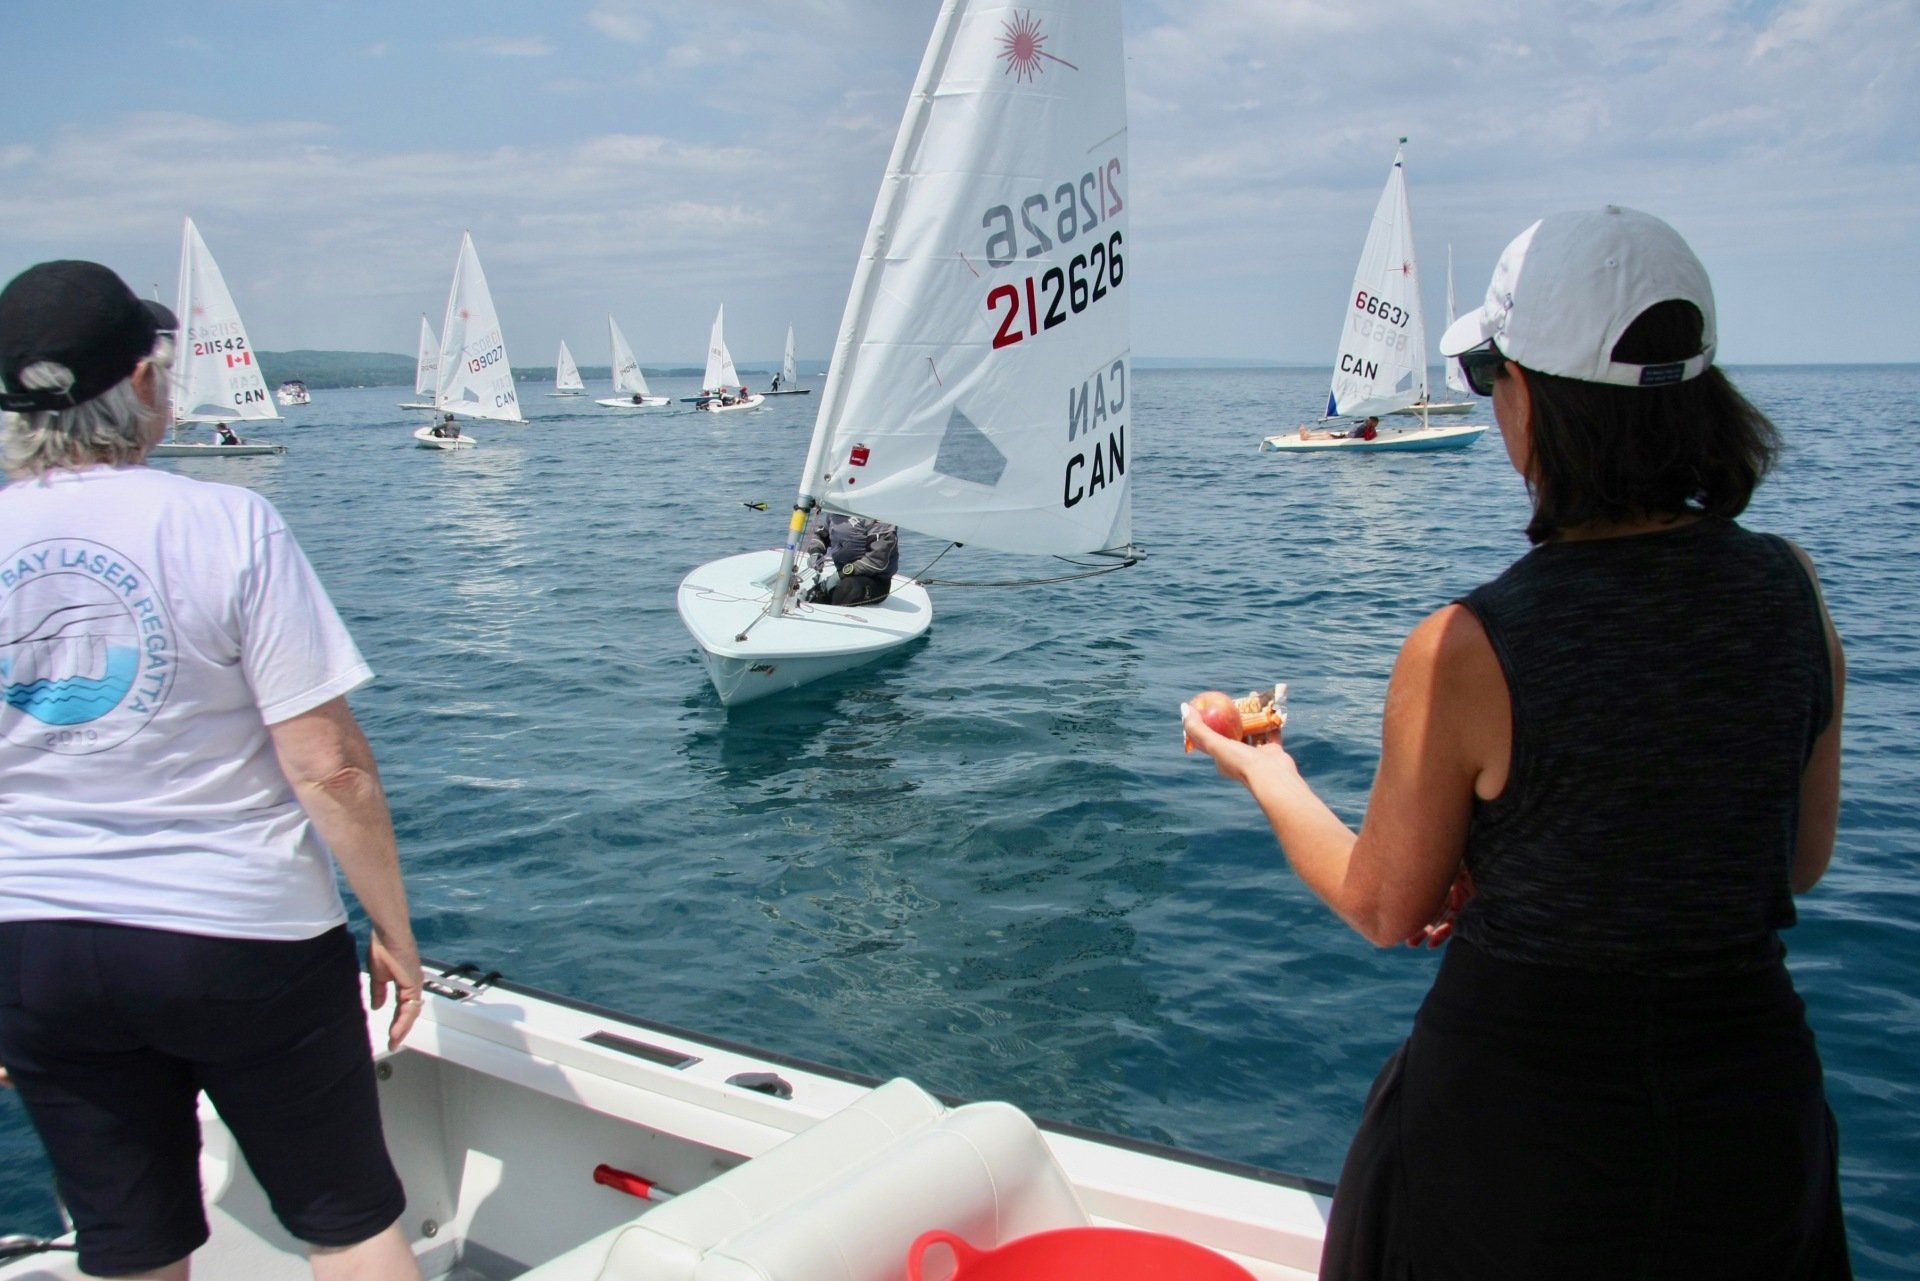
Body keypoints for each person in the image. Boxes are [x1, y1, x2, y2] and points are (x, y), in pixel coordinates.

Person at [1183, 208, 1849, 1278]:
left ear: (1532, 396)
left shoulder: (1467, 648)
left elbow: (1384, 907)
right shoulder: (1794, 591)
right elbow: (1797, 861)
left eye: (1490, 374)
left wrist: (1263, 766)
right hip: (1750, 1125)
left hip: (1524, 1141)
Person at [0, 261, 425, 1281]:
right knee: (346, 1221)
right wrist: (394, 932)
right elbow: (329, 766)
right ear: (146, 382)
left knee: (131, 1245)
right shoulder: (226, 523)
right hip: (241, 935)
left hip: (35, 948)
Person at [801, 509, 899, 607]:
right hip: (843, 574)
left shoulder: (879, 515)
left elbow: (876, 561)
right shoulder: (836, 511)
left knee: (847, 588)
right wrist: (816, 551)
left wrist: (840, 575)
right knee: (811, 597)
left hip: (875, 580)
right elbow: (820, 535)